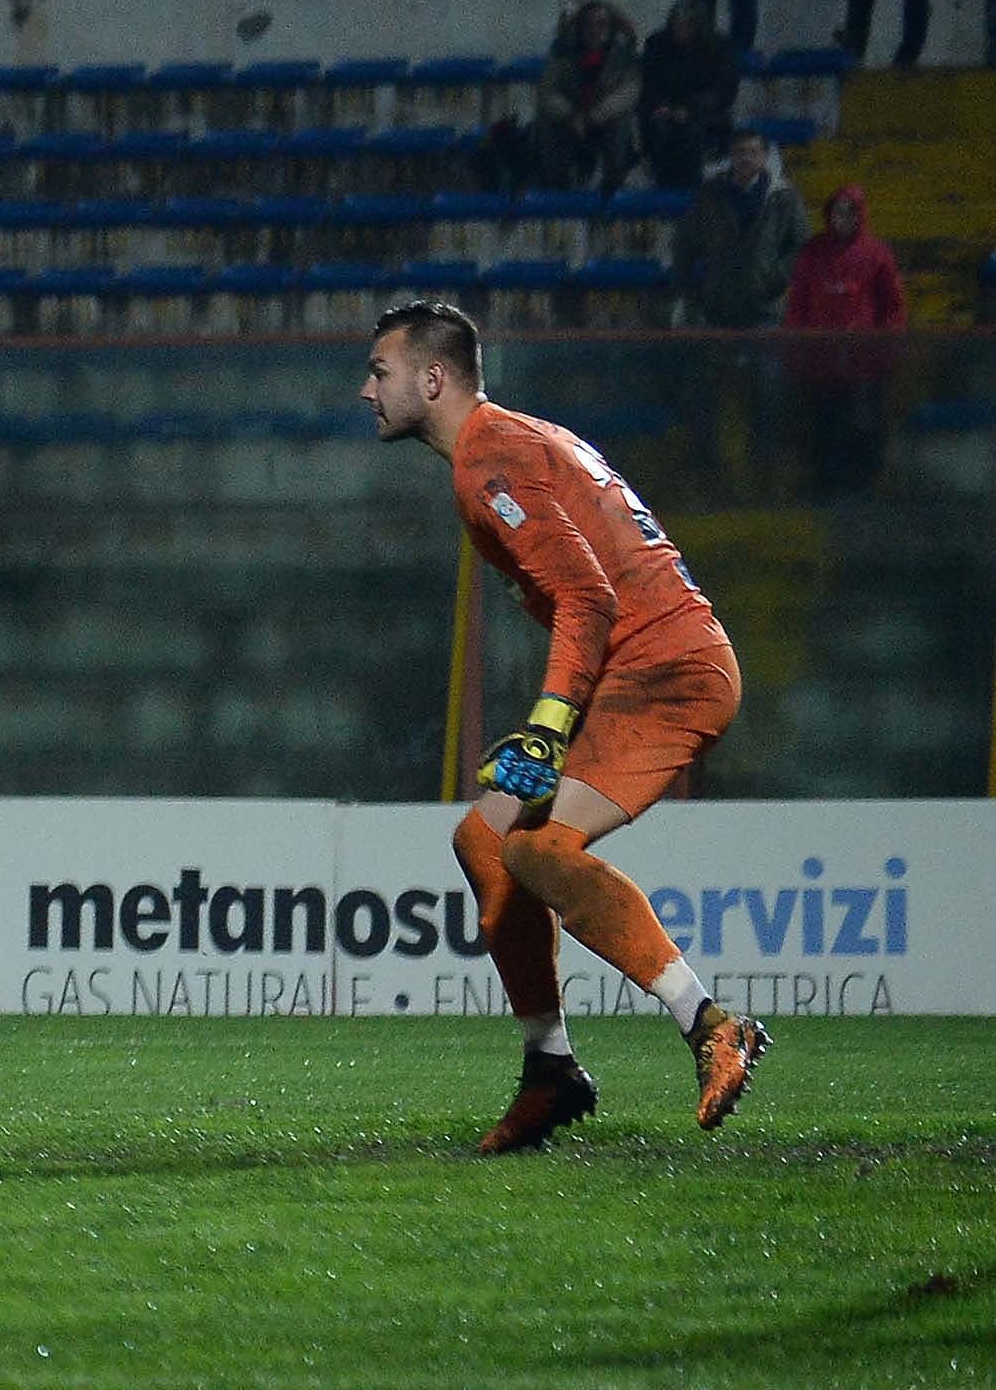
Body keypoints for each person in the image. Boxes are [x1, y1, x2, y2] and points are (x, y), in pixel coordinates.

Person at [356, 301, 768, 1151]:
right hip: (642, 665)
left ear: (432, 379)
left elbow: (588, 597)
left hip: (669, 671)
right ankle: (550, 1069)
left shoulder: (488, 460)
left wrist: (546, 729)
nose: (366, 389)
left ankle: (710, 1024)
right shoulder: (509, 441)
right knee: (483, 842)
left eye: (380, 372)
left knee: (538, 851)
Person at [785, 185, 907, 495]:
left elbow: (892, 305)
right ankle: (824, 486)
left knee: (863, 424)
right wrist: (798, 346)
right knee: (821, 424)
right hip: (820, 361)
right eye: (837, 211)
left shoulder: (876, 253)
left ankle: (863, 487)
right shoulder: (813, 252)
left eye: (849, 211)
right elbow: (798, 301)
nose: (842, 218)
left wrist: (885, 349)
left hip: (863, 362)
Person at [674, 127, 806, 329]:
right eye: (740, 152)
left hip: (765, 308)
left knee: (765, 359)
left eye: (753, 152)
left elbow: (800, 245)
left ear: (765, 156)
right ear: (731, 156)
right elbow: (685, 243)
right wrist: (694, 291)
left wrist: (774, 279)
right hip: (717, 307)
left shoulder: (784, 196)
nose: (746, 158)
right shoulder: (708, 195)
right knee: (716, 361)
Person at [533, 0, 642, 193]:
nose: (595, 30)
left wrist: (597, 115)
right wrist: (570, 115)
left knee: (622, 123)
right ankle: (557, 186)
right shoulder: (563, 53)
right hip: (572, 120)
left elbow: (628, 92)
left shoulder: (623, 56)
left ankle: (613, 187)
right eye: (589, 24)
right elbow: (548, 91)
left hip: (605, 120)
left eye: (601, 24)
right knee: (546, 121)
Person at [635, 0, 739, 190]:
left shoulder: (719, 47)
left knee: (690, 131)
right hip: (663, 111)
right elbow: (647, 84)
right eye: (676, 24)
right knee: (658, 128)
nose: (680, 29)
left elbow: (724, 89)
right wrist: (660, 105)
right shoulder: (657, 44)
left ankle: (690, 191)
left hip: (705, 114)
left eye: (686, 25)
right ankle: (662, 187)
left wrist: (691, 108)